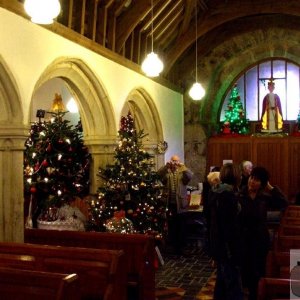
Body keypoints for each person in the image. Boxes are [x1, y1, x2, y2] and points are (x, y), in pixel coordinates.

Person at [238, 166, 288, 300]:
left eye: (257, 180)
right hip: (244, 240)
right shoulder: (239, 196)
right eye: (251, 178)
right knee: (245, 274)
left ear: (263, 183)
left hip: (260, 240)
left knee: (258, 273)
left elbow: (284, 202)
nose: (252, 182)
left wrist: (271, 187)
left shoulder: (264, 197)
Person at [207, 163, 244, 300]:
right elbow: (230, 227)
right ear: (236, 176)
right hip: (229, 247)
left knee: (222, 283)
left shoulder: (217, 192)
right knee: (233, 287)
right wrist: (234, 250)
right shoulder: (228, 196)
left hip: (220, 245)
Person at [157, 155, 193, 255]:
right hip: (170, 205)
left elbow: (190, 176)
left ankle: (182, 248)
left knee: (182, 227)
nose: (175, 163)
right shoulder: (166, 173)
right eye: (173, 160)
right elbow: (158, 175)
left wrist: (183, 166)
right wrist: (166, 167)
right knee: (172, 226)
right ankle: (174, 248)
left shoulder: (183, 173)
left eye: (176, 161)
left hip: (181, 205)